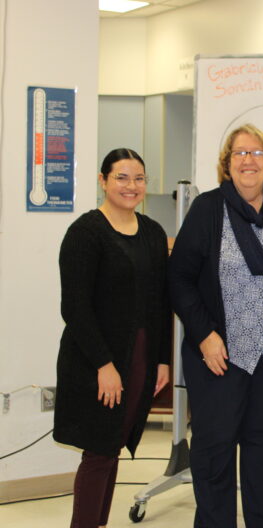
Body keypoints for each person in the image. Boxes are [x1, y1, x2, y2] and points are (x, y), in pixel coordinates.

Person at [168, 124, 263, 527]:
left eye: (257, 154)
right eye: (239, 153)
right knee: (214, 453)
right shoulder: (208, 209)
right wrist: (204, 334)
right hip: (218, 359)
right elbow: (179, 278)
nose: (248, 161)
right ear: (226, 164)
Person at [54, 148, 171, 528]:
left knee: (113, 445)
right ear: (103, 180)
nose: (131, 186)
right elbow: (75, 307)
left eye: (138, 178)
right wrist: (103, 365)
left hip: (138, 355)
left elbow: (160, 301)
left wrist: (163, 359)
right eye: (121, 177)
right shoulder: (86, 233)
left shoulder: (153, 233)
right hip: (96, 359)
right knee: (99, 450)